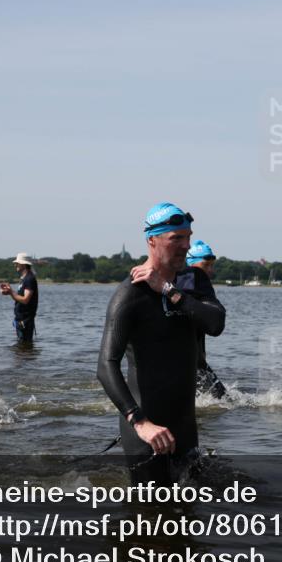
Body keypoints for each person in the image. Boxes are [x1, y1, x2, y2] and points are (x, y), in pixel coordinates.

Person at [97, 203, 225, 483]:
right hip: (148, 432)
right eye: (176, 238)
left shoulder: (194, 280)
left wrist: (168, 290)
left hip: (186, 429)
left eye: (188, 237)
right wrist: (140, 423)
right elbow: (106, 366)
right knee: (147, 515)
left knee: (190, 514)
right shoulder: (130, 294)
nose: (185, 245)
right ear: (152, 240)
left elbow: (215, 324)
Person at [182, 239, 227, 398]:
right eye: (205, 265)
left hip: (196, 358)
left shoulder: (198, 284)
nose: (210, 271)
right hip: (187, 359)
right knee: (222, 401)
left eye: (211, 265)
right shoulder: (190, 277)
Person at [0, 253, 39, 343]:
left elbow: (25, 300)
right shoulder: (24, 279)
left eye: (17, 263)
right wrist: (9, 292)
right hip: (21, 319)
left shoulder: (29, 279)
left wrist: (11, 292)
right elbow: (20, 298)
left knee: (24, 348)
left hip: (26, 321)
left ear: (23, 264)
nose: (15, 265)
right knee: (22, 350)